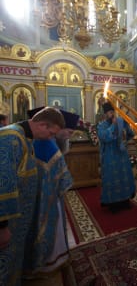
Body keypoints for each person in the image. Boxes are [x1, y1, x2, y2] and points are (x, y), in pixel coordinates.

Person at [0, 107, 65, 286]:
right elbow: (2, 183)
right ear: (42, 125)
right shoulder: (10, 138)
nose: (51, 138)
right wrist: (2, 226)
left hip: (17, 223)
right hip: (7, 224)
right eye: (51, 133)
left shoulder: (24, 138)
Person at [23, 108, 79, 277]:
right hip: (49, 197)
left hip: (35, 196)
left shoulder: (42, 140)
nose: (69, 136)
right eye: (68, 132)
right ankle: (50, 261)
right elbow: (64, 180)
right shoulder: (49, 144)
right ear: (57, 129)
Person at [97, 101, 136, 213]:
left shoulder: (121, 122)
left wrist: (126, 124)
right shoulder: (102, 125)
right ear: (105, 114)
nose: (112, 114)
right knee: (112, 178)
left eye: (113, 112)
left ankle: (125, 201)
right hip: (110, 156)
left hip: (122, 155)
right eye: (109, 112)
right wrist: (113, 126)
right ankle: (113, 203)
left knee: (124, 176)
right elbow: (105, 137)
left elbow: (130, 134)